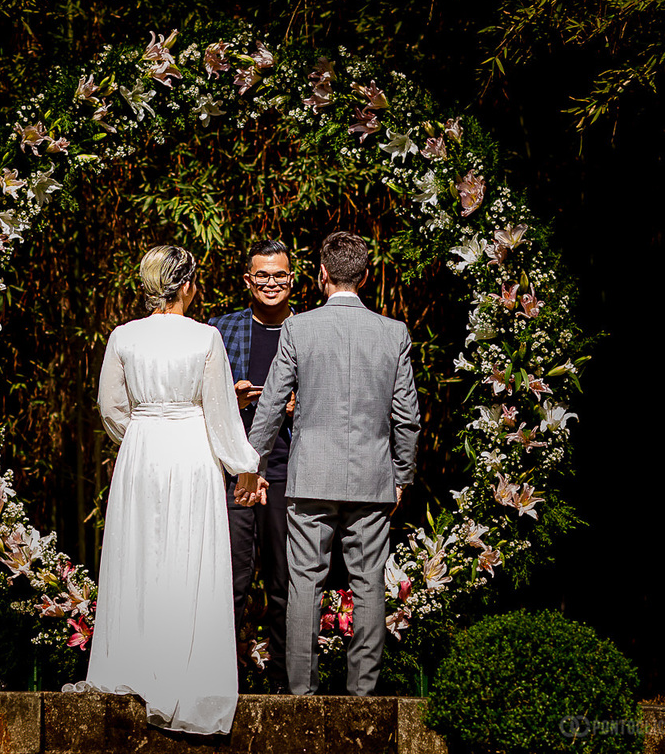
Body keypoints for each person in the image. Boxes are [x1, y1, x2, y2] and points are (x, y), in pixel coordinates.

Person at [85, 244, 259, 735]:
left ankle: (136, 663)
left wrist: (142, 433)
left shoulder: (123, 337)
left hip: (141, 452)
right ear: (186, 285)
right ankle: (186, 673)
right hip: (190, 451)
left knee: (139, 554)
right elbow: (222, 413)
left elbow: (111, 407)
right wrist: (244, 464)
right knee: (189, 556)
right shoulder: (205, 338)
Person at [237, 231, 420, 697]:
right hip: (372, 479)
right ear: (363, 276)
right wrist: (402, 476)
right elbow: (407, 418)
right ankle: (362, 695)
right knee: (368, 586)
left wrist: (251, 465)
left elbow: (273, 404)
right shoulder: (393, 332)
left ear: (321, 274)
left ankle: (301, 693)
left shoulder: (300, 328)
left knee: (304, 584)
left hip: (309, 478)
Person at [207, 239, 295, 691]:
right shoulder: (218, 331)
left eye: (279, 274)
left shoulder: (309, 329)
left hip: (288, 473)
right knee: (232, 580)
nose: (271, 283)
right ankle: (225, 679)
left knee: (286, 581)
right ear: (247, 280)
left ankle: (284, 681)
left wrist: (303, 406)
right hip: (235, 473)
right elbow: (196, 399)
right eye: (262, 275)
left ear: (293, 278)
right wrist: (230, 399)